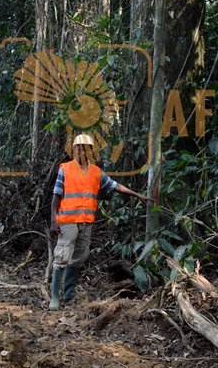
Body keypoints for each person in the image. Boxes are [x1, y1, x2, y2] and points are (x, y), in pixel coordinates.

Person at [48, 133, 148, 310]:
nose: (82, 151)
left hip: (86, 222)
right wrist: (53, 221)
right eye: (79, 148)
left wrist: (137, 195)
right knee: (62, 256)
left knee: (79, 257)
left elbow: (116, 186)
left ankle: (69, 294)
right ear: (74, 150)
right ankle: (55, 297)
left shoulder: (96, 172)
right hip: (68, 220)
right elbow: (56, 197)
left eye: (86, 148)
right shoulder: (66, 169)